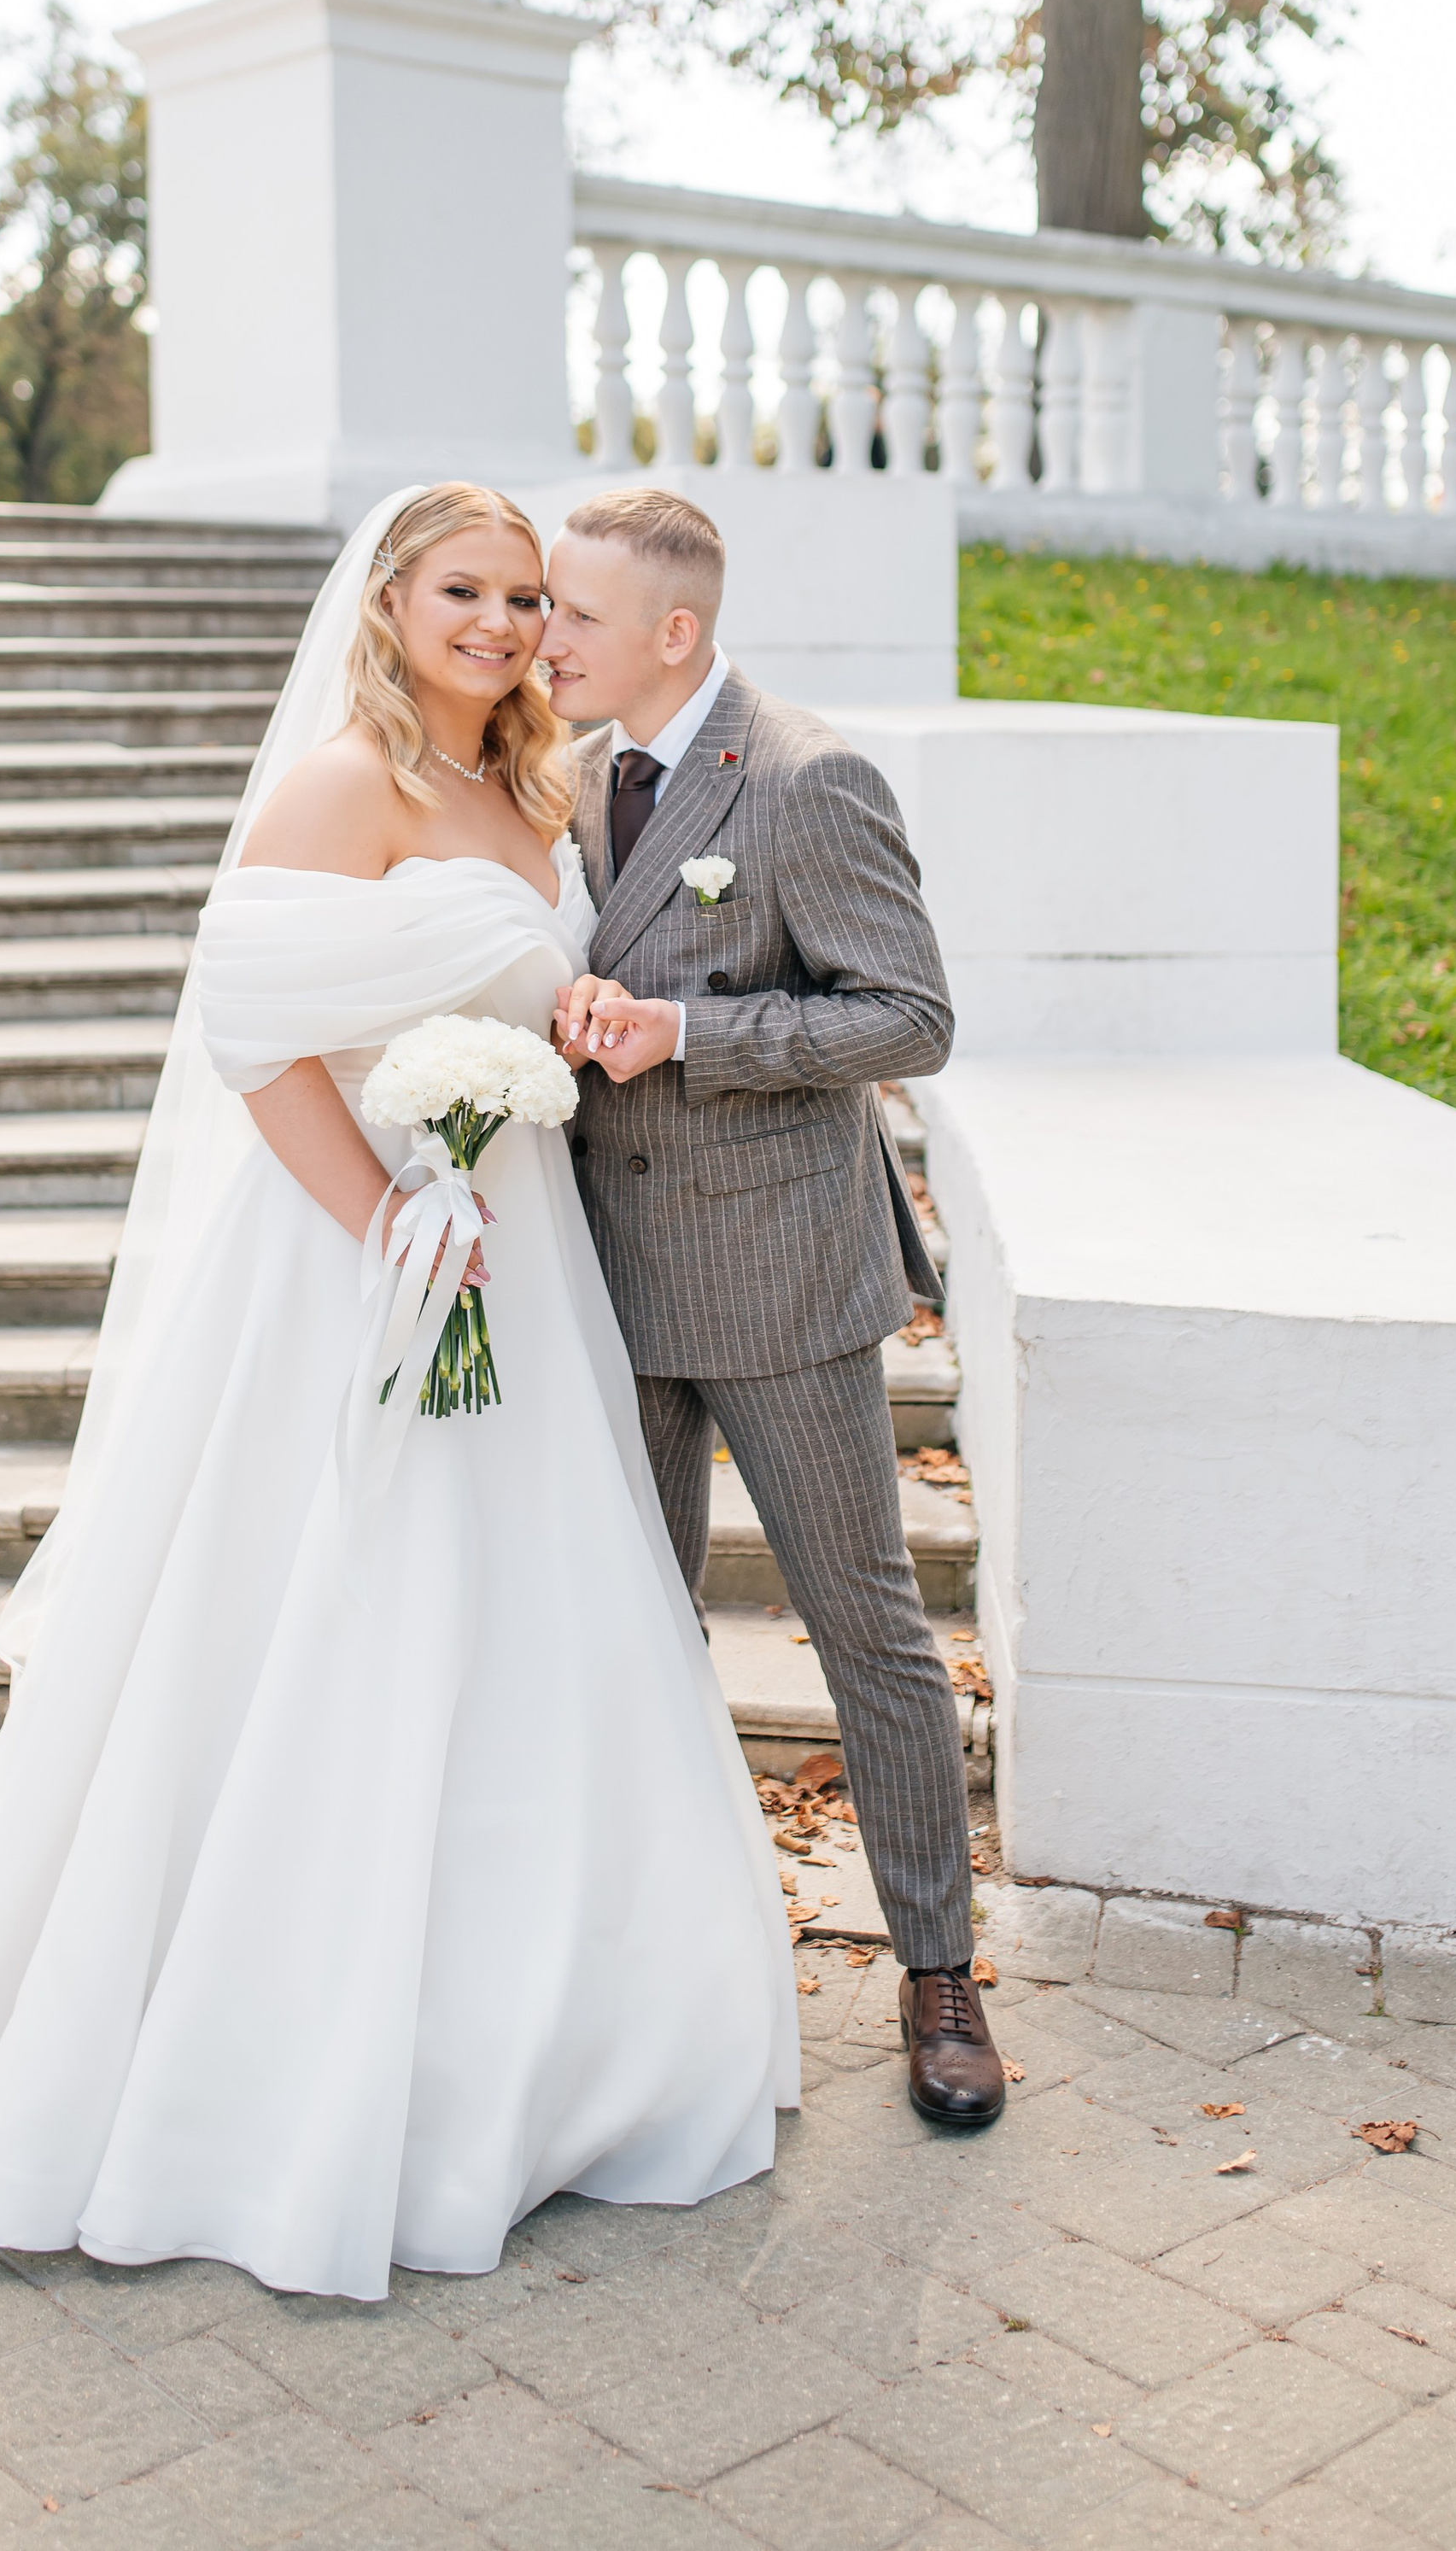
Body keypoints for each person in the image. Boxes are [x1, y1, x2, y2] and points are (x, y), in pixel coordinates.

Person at [0, 484, 796, 2302]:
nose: (498, 624)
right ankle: (267, 2054)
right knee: (342, 1612)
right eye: (461, 590)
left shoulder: (534, 787)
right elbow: (255, 1036)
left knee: (525, 1626)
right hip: (357, 1255)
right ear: (389, 600)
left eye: (524, 597)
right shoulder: (343, 783)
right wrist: (389, 1220)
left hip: (522, 1252)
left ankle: (541, 2027)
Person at [542, 484, 1005, 2131]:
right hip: (607, 1275)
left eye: (574, 613)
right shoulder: (571, 777)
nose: (543, 636)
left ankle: (939, 1972)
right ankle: (666, 1963)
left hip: (781, 1278)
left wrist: (693, 1035)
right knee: (637, 1624)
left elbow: (911, 1017)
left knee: (868, 1632)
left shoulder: (808, 776)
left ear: (673, 632)